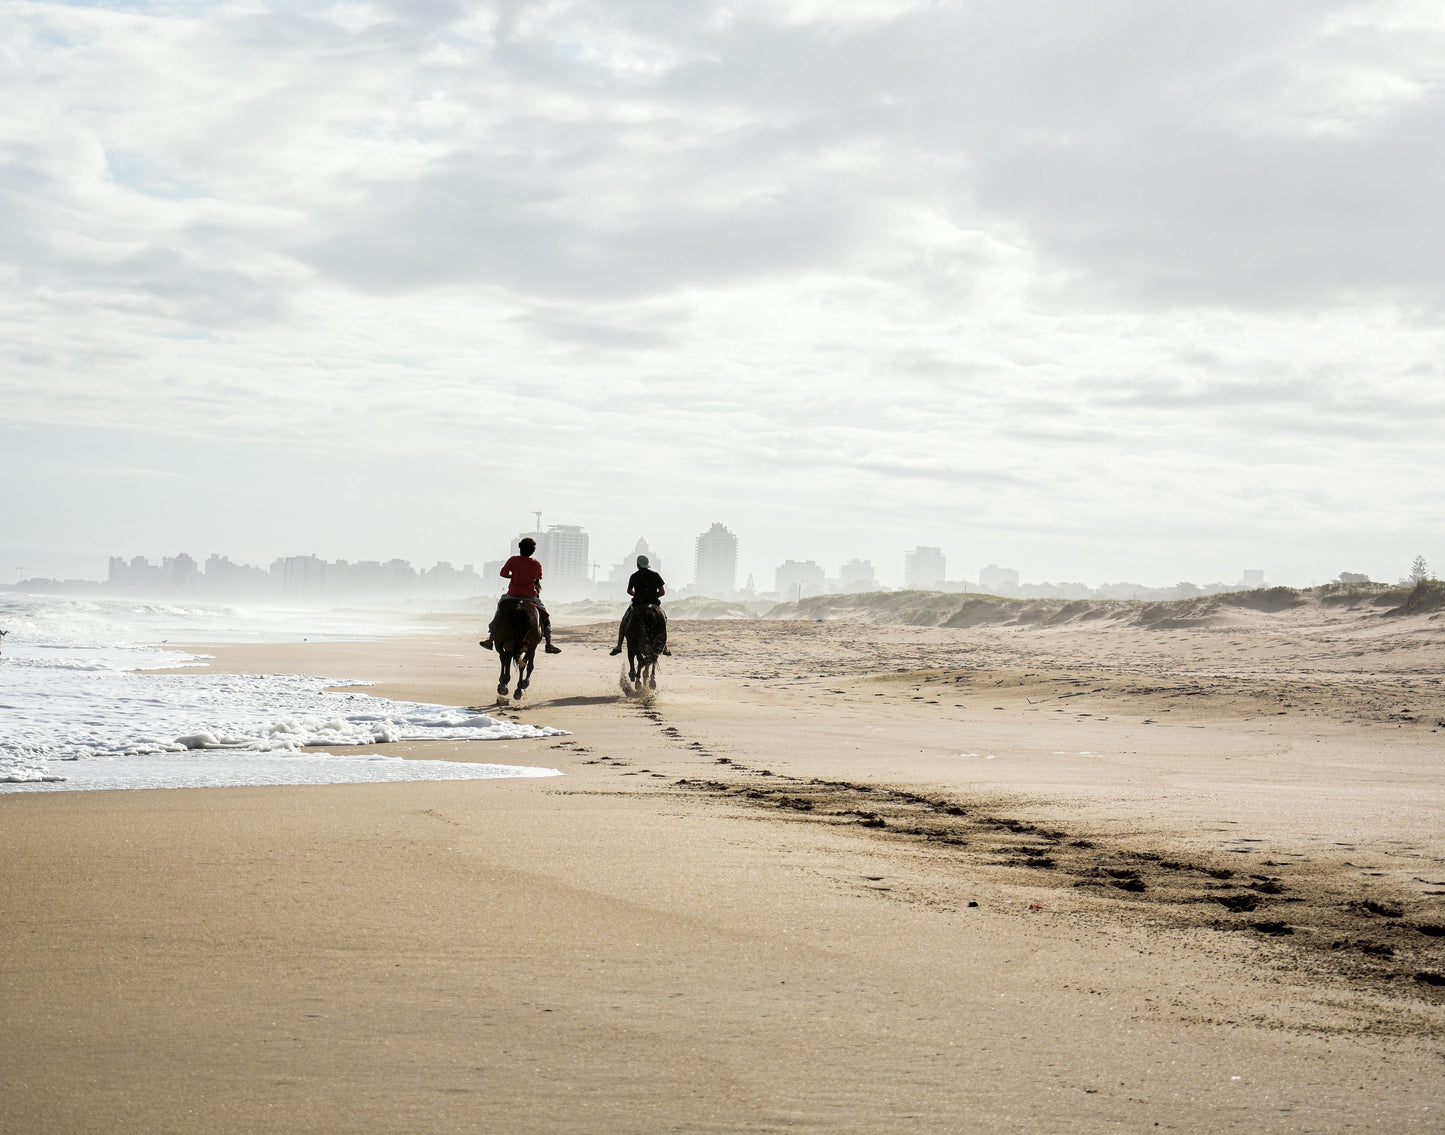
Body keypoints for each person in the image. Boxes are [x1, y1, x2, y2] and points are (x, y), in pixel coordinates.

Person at [479, 537, 561, 654]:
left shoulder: (513, 560)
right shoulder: (536, 564)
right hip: (530, 597)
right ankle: (548, 643)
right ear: (532, 551)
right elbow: (538, 579)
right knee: (545, 615)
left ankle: (490, 639)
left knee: (499, 610)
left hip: (512, 595)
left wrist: (513, 576)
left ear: (520, 548)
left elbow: (503, 573)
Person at [610, 554, 671, 656]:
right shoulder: (655, 575)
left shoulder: (634, 576)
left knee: (624, 621)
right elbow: (662, 592)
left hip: (638, 604)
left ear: (638, 565)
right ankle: (665, 648)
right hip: (653, 603)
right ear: (647, 565)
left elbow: (629, 591)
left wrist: (638, 595)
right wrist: (652, 596)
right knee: (662, 623)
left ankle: (619, 646)